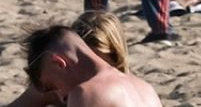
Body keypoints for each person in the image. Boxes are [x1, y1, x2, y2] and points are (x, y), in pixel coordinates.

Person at [3, 11, 131, 107]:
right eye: (82, 58)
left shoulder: (123, 90)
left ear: (116, 58)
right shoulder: (53, 86)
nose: (90, 68)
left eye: (98, 60)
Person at [20, 26, 159, 107]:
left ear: (59, 63)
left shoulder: (85, 93)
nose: (61, 97)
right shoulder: (145, 88)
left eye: (52, 86)